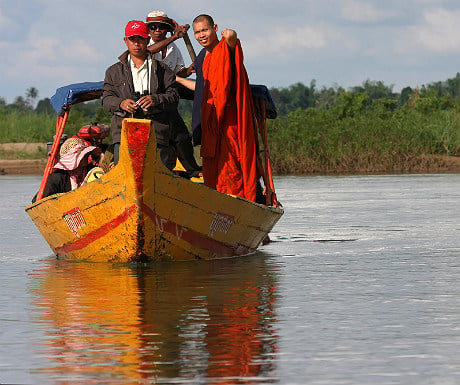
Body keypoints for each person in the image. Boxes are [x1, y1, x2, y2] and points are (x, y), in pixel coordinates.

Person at [176, 14, 259, 202]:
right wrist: (179, 80)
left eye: (205, 30)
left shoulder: (223, 48)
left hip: (228, 121)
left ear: (215, 28)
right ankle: (216, 204)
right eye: (197, 32)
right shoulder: (202, 58)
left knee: (231, 166)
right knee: (213, 168)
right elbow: (204, 87)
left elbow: (232, 39)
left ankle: (236, 205)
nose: (201, 35)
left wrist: (230, 35)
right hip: (210, 121)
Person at [102, 20, 179, 167]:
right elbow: (106, 100)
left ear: (147, 40)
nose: (136, 43)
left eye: (140, 39)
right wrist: (121, 103)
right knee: (125, 180)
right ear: (126, 41)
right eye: (132, 39)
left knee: (156, 180)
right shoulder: (113, 71)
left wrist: (154, 100)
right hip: (124, 135)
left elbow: (174, 97)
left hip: (156, 135)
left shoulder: (163, 70)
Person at [145, 11, 202, 177]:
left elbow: (178, 73)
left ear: (167, 29)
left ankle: (193, 171)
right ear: (148, 30)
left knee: (182, 137)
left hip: (168, 100)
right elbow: (147, 52)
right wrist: (174, 37)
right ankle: (156, 172)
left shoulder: (173, 48)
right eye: (153, 27)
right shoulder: (143, 44)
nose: (157, 30)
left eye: (161, 27)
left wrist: (189, 70)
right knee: (157, 140)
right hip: (149, 102)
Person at [32, 138, 102, 202]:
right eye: (84, 155)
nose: (87, 157)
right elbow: (38, 202)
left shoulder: (92, 170)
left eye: (87, 155)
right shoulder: (57, 178)